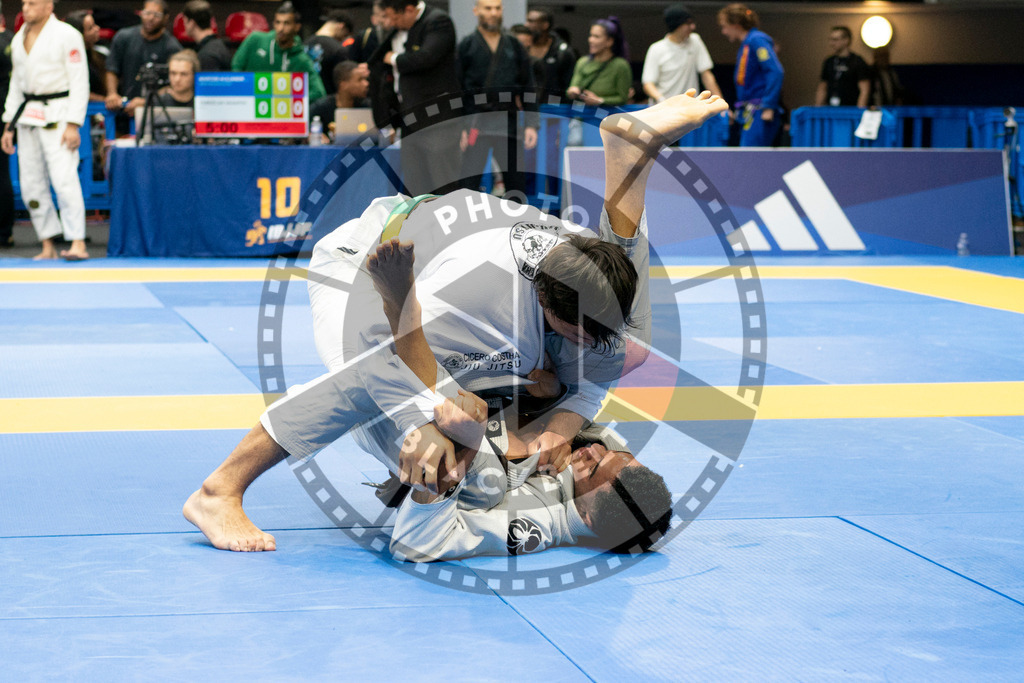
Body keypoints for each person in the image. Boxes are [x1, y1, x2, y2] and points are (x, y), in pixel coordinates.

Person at [182, 89, 728, 552]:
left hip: (457, 274)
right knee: (377, 393)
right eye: (577, 332)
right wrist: (432, 421)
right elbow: (378, 352)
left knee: (629, 342)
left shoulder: (578, 267)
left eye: (597, 464)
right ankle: (219, 490)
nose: (591, 454)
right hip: (369, 267)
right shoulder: (483, 311)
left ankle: (629, 154)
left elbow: (593, 373)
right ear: (542, 306)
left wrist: (554, 423)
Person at [363, 230, 673, 560]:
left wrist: (467, 448)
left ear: (587, 518)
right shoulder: (607, 463)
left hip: (403, 419)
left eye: (592, 468)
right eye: (619, 456)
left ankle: (400, 310)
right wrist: (544, 401)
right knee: (569, 407)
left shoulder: (534, 522)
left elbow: (415, 545)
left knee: (487, 485)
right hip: (482, 393)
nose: (595, 451)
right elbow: (579, 412)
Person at [1, 0, 89, 261]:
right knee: (31, 184)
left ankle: (77, 242)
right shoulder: (19, 39)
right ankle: (47, 242)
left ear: (49, 6)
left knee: (64, 180)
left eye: (32, 3)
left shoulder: (67, 35)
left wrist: (74, 123)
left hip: (59, 116)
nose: (25, 8)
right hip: (28, 117)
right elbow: (16, 86)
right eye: (24, 3)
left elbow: (79, 80)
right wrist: (8, 125)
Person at [371, 0, 461, 195]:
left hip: (438, 120)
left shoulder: (438, 22)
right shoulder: (397, 31)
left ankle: (451, 225)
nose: (393, 23)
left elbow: (426, 57)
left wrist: (394, 58)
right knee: (414, 185)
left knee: (444, 183)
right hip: (409, 118)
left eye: (395, 18)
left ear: (409, 10)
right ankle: (419, 225)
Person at [456, 0, 536, 199]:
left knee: (516, 182)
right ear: (476, 11)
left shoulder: (514, 44)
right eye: (488, 8)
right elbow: (456, 89)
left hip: (508, 120)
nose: (493, 13)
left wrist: (531, 124)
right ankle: (465, 227)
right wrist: (458, 127)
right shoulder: (466, 45)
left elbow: (529, 85)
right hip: (475, 121)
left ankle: (518, 226)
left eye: (497, 8)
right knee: (468, 182)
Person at [231, 1, 326, 102]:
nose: (281, 28)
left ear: (297, 27)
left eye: (287, 23)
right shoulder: (255, 40)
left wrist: (289, 101)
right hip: (249, 106)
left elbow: (319, 92)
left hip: (281, 112)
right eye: (278, 22)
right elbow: (236, 68)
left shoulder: (301, 59)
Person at [717, 3, 783, 147]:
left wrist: (768, 106)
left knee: (751, 157)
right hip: (750, 110)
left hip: (760, 110)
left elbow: (775, 71)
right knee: (748, 155)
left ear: (735, 25)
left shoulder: (756, 40)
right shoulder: (747, 43)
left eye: (724, 26)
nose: (724, 31)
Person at [105, 0, 182, 118]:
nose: (150, 18)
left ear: (166, 18)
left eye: (157, 15)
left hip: (155, 111)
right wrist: (112, 93)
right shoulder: (123, 37)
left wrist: (146, 101)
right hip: (123, 107)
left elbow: (174, 85)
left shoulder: (172, 47)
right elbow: (112, 69)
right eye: (147, 13)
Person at [642, 4, 721, 104]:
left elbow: (706, 75)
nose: (693, 27)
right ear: (676, 25)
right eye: (688, 23)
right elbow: (648, 84)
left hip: (689, 108)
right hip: (663, 109)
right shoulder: (656, 49)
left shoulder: (695, 41)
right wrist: (662, 100)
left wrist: (720, 102)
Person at [566, 16, 631, 107]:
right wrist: (573, 91)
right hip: (583, 116)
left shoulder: (620, 65)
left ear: (609, 41)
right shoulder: (583, 62)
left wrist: (599, 100)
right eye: (590, 35)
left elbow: (622, 98)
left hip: (608, 117)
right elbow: (573, 86)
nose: (591, 40)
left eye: (596, 36)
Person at [523, 7, 574, 102]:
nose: (526, 25)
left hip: (553, 109)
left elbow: (567, 87)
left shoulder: (562, 52)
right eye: (527, 20)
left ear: (545, 25)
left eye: (531, 21)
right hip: (525, 107)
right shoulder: (522, 47)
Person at [308, 60, 370, 138]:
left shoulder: (368, 108)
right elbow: (304, 132)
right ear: (343, 85)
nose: (366, 84)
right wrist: (313, 136)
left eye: (365, 79)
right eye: (360, 80)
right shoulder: (320, 108)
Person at [815, 26, 870, 108]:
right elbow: (823, 87)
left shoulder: (857, 61)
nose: (832, 43)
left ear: (846, 40)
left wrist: (859, 112)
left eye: (835, 40)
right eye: (831, 39)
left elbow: (864, 90)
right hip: (831, 107)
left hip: (850, 109)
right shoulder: (829, 62)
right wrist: (817, 108)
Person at [305, 9, 352, 95]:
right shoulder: (339, 50)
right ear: (341, 26)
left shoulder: (304, 44)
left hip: (303, 100)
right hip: (327, 101)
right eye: (344, 35)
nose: (342, 39)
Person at [64, 10, 105, 101]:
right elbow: (72, 90)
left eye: (95, 24)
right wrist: (103, 99)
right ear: (79, 34)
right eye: (91, 28)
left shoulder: (100, 53)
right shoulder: (70, 59)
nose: (97, 28)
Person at [182, 0, 231, 72]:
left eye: (185, 21)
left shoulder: (207, 55)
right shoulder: (217, 46)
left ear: (191, 23)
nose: (184, 25)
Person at [0, 11, 14, 249]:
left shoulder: (11, 41)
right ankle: (4, 233)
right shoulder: (14, 40)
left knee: (1, 174)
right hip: (6, 115)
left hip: (5, 114)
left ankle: (4, 233)